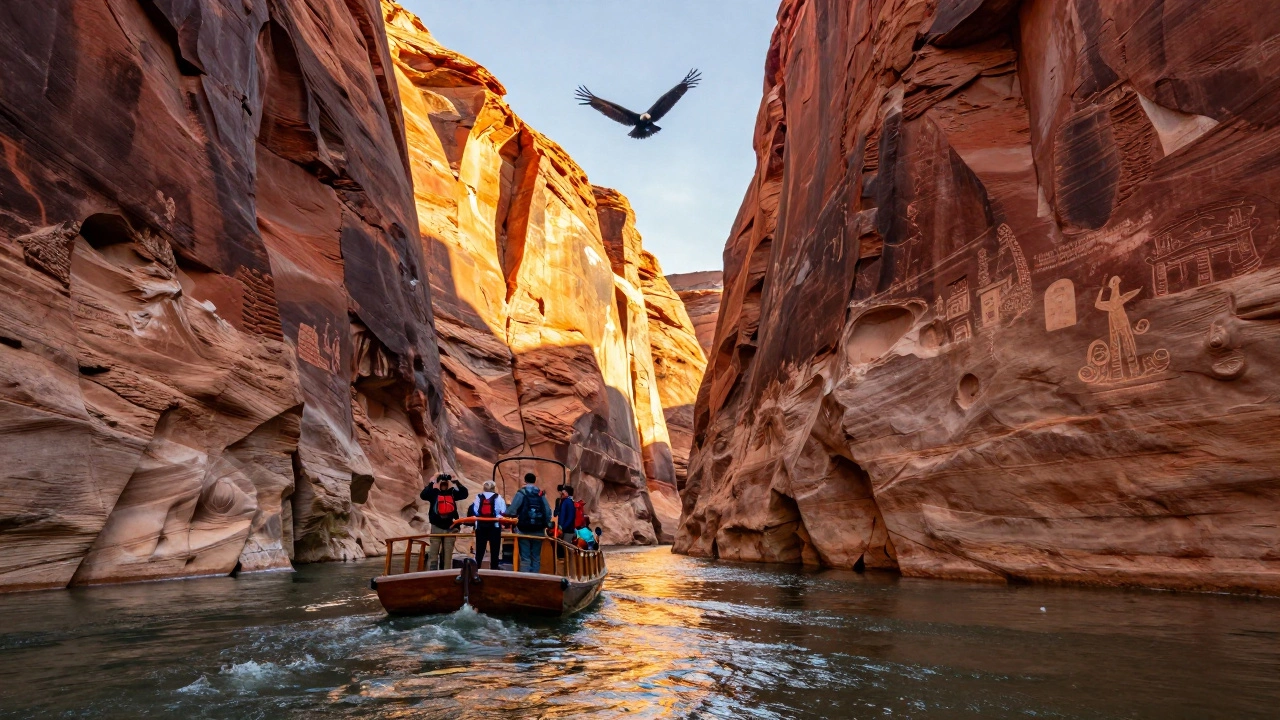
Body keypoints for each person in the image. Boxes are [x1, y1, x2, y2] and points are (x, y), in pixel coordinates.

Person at [420, 473, 468, 571]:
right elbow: (464, 493)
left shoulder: (435, 493)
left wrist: (432, 482)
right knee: (447, 554)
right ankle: (445, 573)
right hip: (449, 527)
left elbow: (423, 495)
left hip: (440, 527)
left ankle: (433, 573)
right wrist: (456, 482)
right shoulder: (452, 493)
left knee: (434, 553)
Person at [505, 472, 552, 573]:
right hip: (539, 529)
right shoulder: (540, 494)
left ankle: (526, 579)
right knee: (536, 556)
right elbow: (548, 511)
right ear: (535, 481)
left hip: (524, 529)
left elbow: (512, 510)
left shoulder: (521, 493)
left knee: (525, 557)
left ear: (525, 481)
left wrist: (507, 513)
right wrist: (546, 523)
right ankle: (535, 579)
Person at [469, 480, 506, 570]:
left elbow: (475, 510)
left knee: (480, 549)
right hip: (495, 526)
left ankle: (476, 569)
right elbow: (503, 510)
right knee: (495, 549)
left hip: (481, 526)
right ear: (493, 488)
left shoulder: (478, 497)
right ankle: (494, 568)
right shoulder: (498, 497)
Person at [553, 485, 576, 558]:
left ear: (567, 493)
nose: (561, 493)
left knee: (565, 548)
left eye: (563, 491)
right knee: (561, 547)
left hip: (567, 530)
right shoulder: (564, 501)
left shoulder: (568, 502)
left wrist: (562, 528)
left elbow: (570, 517)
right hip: (564, 529)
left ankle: (567, 565)